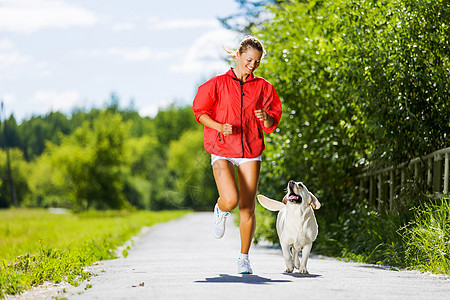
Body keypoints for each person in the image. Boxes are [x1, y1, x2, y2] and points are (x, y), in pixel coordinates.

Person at [192, 36, 282, 274]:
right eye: (249, 60)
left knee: (247, 207)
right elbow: (199, 111)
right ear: (238, 55)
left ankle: (244, 258)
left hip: (250, 150)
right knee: (230, 199)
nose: (252, 65)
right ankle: (221, 209)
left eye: (257, 62)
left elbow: (273, 119)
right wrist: (219, 126)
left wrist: (267, 118)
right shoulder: (217, 84)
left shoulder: (263, 87)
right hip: (221, 148)